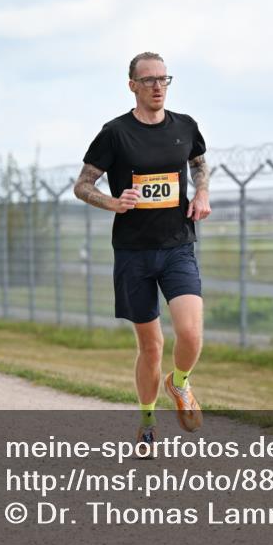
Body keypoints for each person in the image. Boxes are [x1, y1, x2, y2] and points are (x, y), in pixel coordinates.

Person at [74, 51, 211, 454]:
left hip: (177, 246)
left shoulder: (185, 126)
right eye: (148, 80)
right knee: (150, 346)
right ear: (132, 85)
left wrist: (201, 191)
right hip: (134, 252)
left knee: (190, 332)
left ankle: (180, 384)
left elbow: (199, 164)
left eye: (163, 80)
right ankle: (148, 421)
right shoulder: (115, 133)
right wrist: (112, 202)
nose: (156, 86)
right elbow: (82, 185)